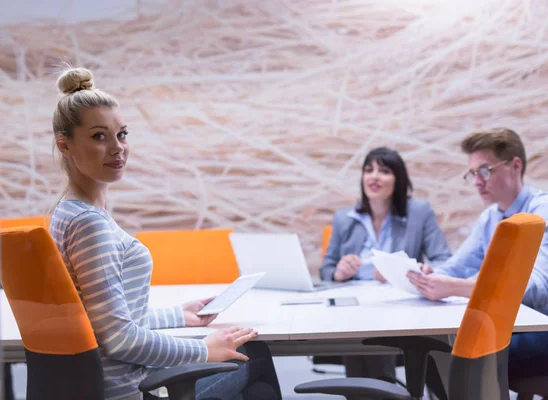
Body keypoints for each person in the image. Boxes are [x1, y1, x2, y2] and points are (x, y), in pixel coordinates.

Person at [48, 67, 281, 400]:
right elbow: (119, 339)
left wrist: (179, 315)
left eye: (122, 134)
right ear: (65, 145)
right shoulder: (89, 224)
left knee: (253, 369)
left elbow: (104, 319)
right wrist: (203, 350)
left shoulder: (69, 212)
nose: (117, 148)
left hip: (108, 381)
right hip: (125, 388)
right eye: (99, 136)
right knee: (256, 358)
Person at [407, 128, 548, 386]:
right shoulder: (491, 217)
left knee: (448, 355)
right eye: (472, 174)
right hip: (506, 326)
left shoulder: (541, 212)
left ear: (515, 166)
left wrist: (457, 288)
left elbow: (536, 290)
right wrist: (428, 274)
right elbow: (455, 267)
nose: (477, 182)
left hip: (539, 329)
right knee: (432, 352)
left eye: (484, 170)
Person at [320, 146, 452, 382]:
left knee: (372, 359)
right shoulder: (344, 217)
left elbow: (443, 260)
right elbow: (326, 269)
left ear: (398, 179)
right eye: (368, 170)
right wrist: (339, 273)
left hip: (400, 305)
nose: (374, 176)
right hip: (353, 305)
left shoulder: (419, 212)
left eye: (384, 171)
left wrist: (421, 271)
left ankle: (374, 389)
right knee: (360, 346)